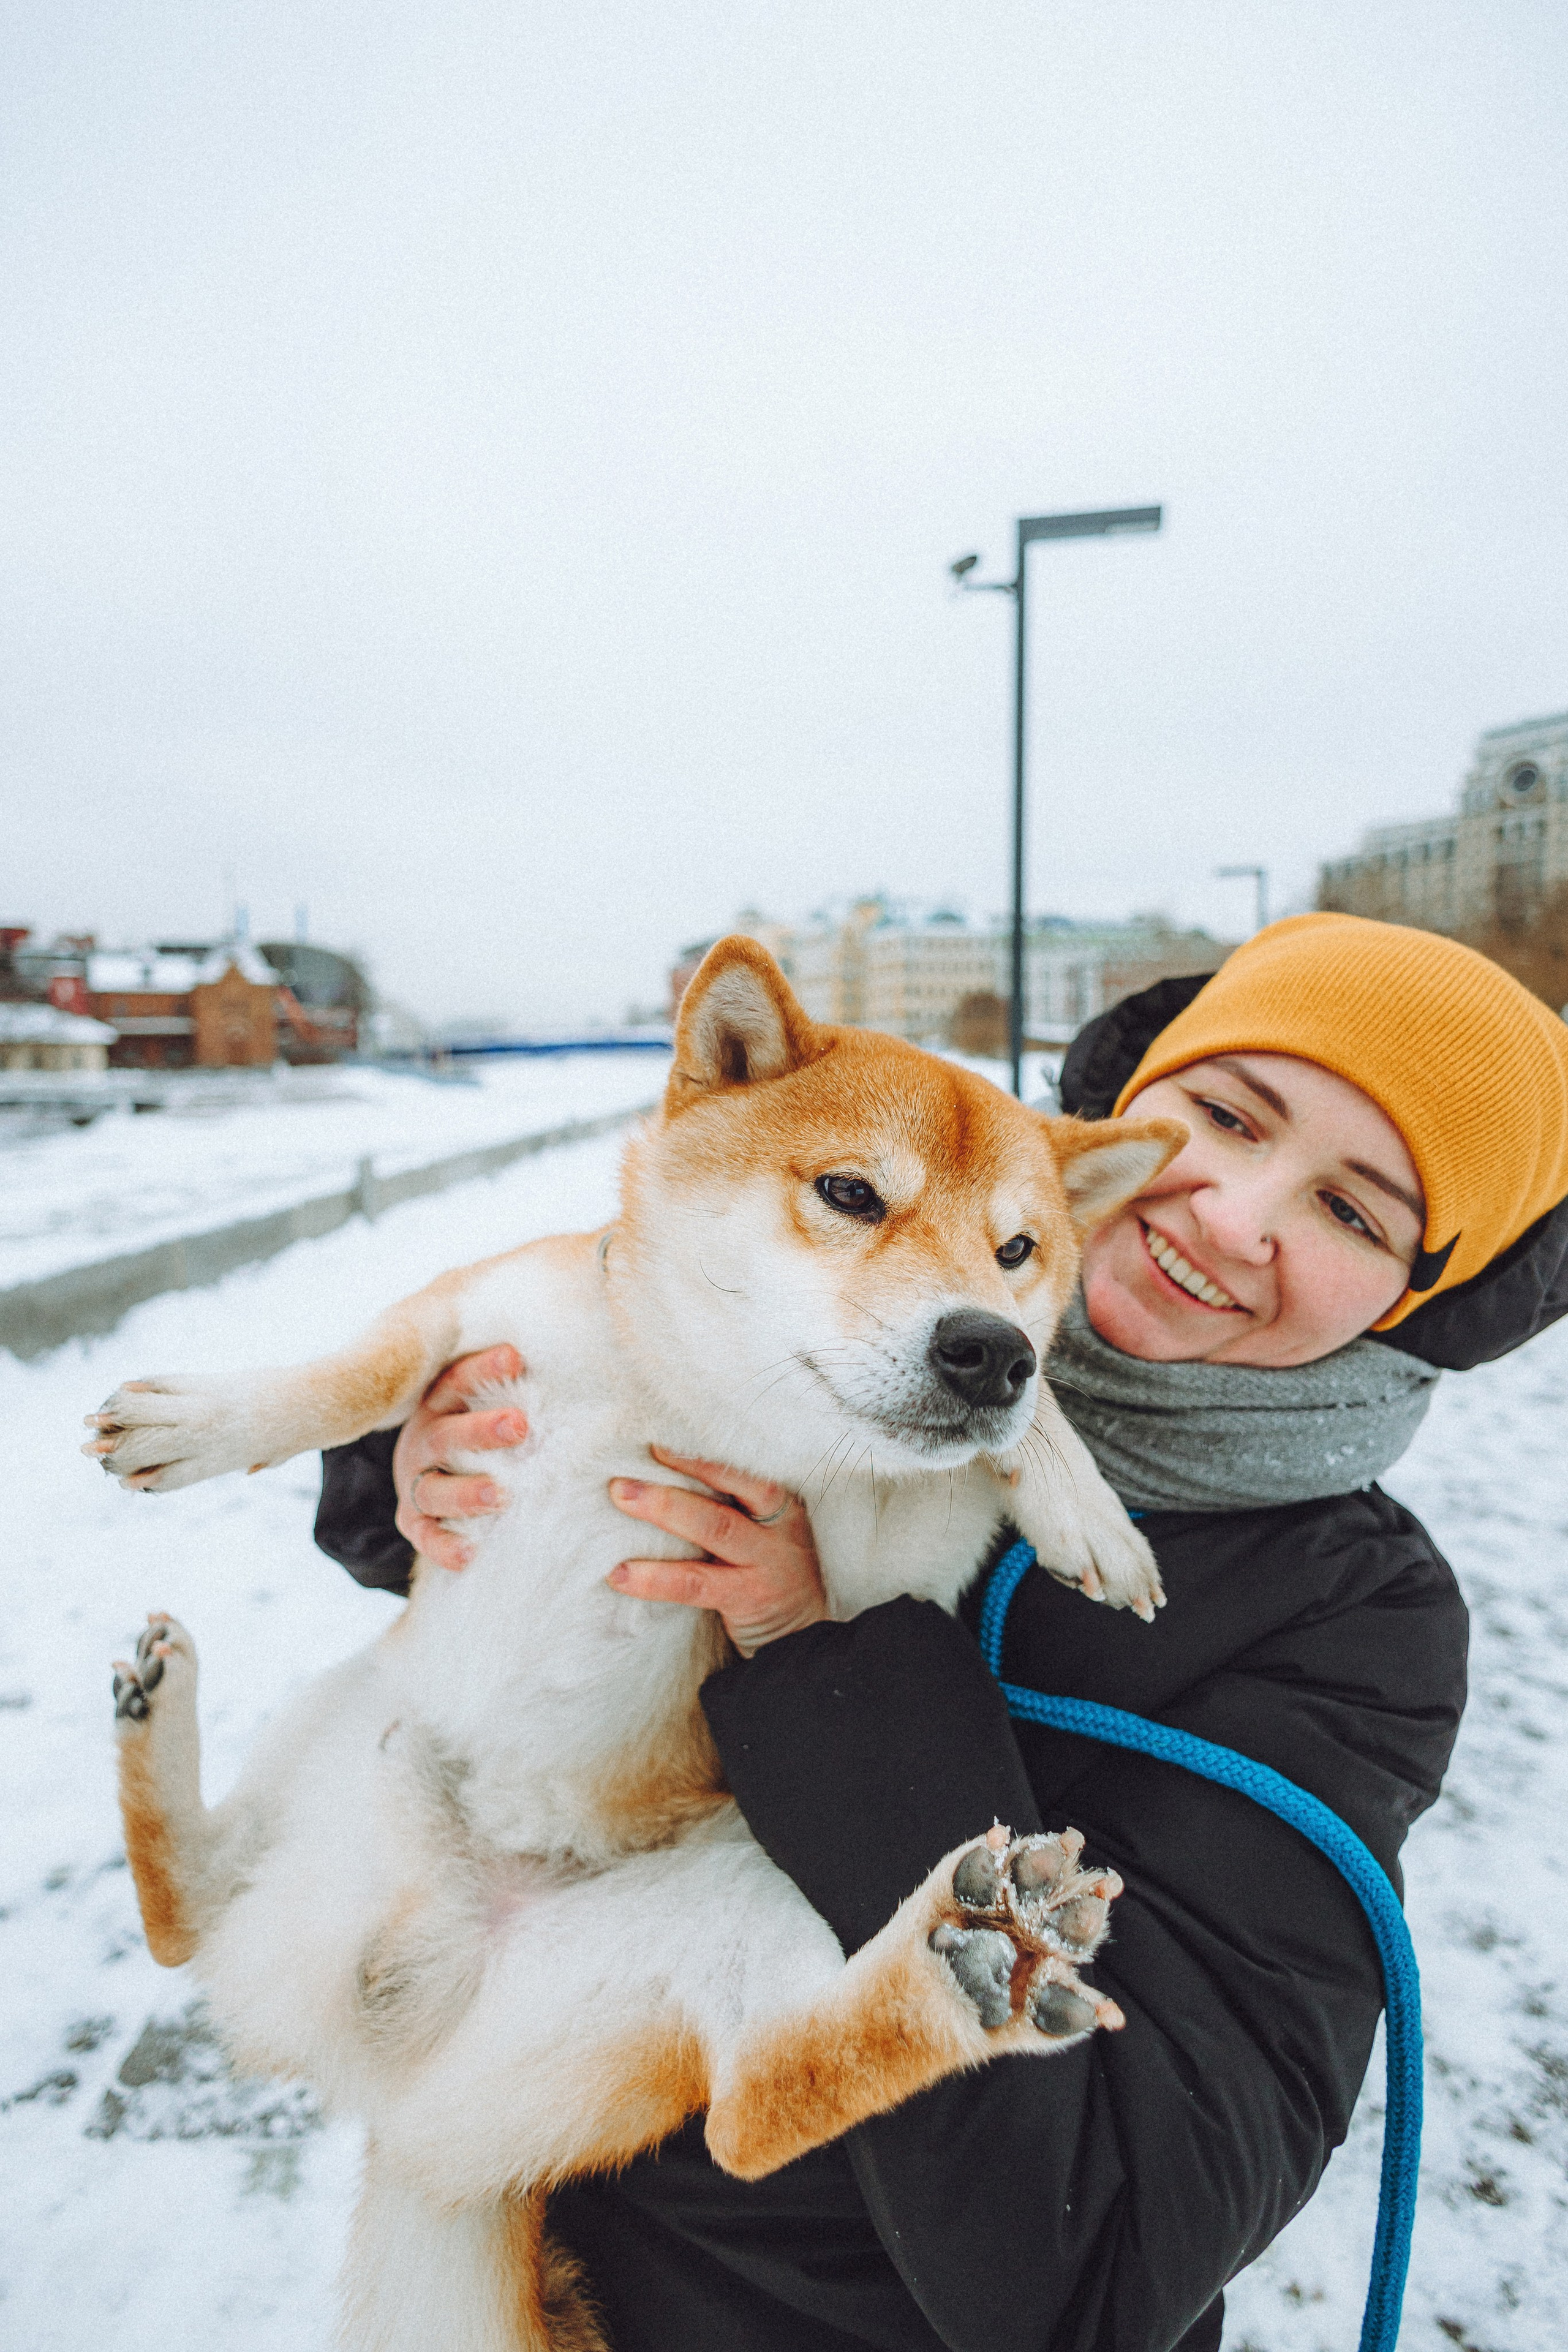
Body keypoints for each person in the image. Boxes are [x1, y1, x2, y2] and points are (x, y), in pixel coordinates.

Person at [315, 913, 1568, 2352]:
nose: (1231, 1216)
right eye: (1224, 1113)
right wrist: (418, 1469)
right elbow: (513, 1579)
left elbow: (1097, 2258)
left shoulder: (1352, 1625)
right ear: (1127, 1103)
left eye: (1352, 1212)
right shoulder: (814, 1295)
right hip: (501, 2225)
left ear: (1415, 1297)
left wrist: (820, 1651)